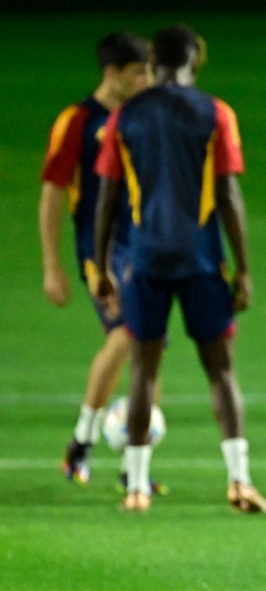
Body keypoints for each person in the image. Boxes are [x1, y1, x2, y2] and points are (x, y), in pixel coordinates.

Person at [94, 24, 266, 514]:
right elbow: (230, 195)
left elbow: (107, 197)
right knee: (220, 371)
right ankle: (239, 480)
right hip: (200, 259)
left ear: (155, 61)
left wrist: (105, 265)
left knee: (144, 370)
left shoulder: (126, 116)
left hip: (145, 259)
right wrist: (243, 268)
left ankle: (136, 486)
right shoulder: (216, 114)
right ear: (196, 60)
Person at [40, 31, 151, 486]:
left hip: (145, 245)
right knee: (128, 333)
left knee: (150, 343)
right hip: (99, 248)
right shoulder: (79, 121)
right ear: (112, 74)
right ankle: (83, 441)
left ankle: (133, 468)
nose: (147, 79)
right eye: (138, 72)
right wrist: (53, 266)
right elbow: (51, 193)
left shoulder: (146, 117)